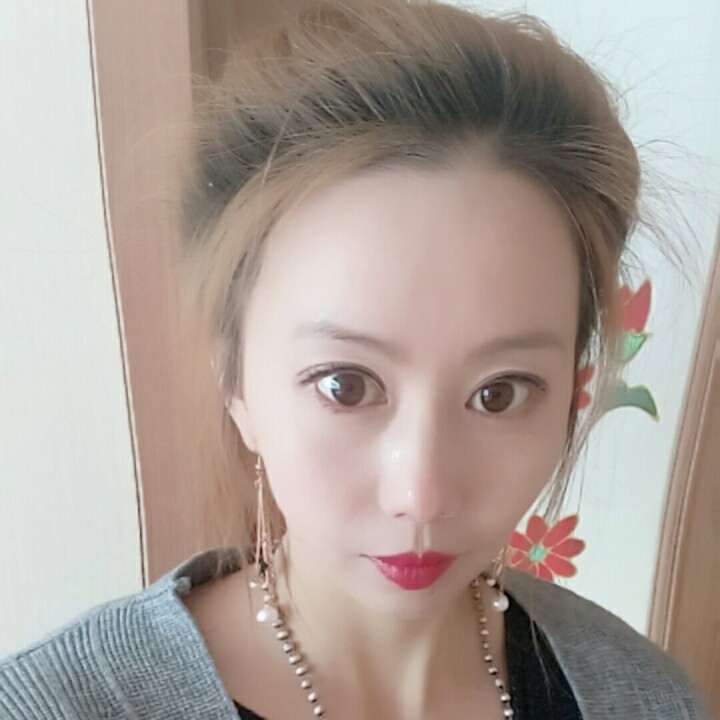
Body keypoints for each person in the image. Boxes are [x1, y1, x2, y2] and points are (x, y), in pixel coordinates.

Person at [0, 1, 711, 718]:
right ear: (236, 382)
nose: (422, 494)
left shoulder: (647, 701)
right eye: (345, 385)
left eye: (500, 393)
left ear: (574, 394)